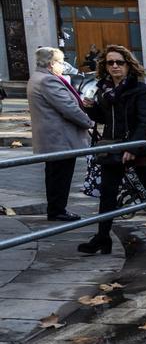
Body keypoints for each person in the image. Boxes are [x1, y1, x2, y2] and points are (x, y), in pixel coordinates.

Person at [79, 45, 146, 254]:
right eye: (110, 62)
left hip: (138, 147)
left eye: (119, 62)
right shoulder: (103, 90)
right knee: (108, 195)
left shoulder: (140, 90)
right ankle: (102, 237)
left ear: (128, 65)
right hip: (112, 147)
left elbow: (145, 121)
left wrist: (133, 146)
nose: (114, 66)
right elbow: (106, 119)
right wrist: (91, 108)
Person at [29, 46, 93, 222]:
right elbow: (69, 108)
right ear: (51, 63)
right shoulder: (48, 81)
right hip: (59, 138)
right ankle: (58, 210)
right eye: (61, 61)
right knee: (60, 176)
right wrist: (89, 122)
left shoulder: (38, 77)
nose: (64, 65)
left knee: (55, 175)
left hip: (52, 138)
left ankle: (56, 209)